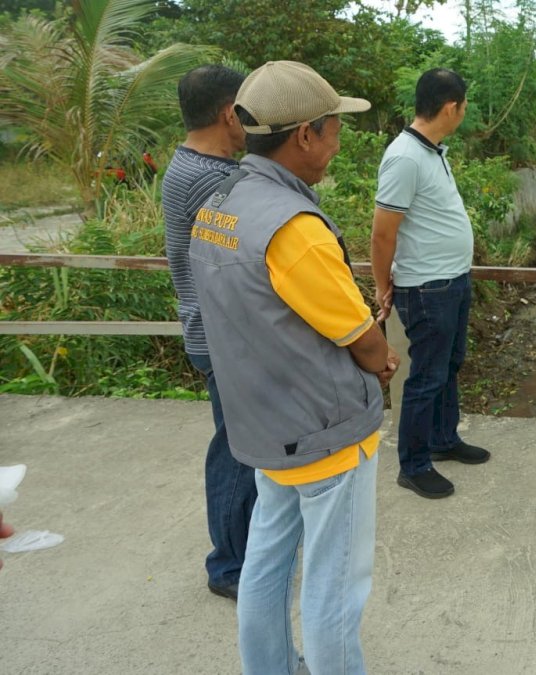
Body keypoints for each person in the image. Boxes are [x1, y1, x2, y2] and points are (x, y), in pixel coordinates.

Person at [189, 60, 399, 674]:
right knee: (336, 584)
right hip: (323, 430)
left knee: (267, 563)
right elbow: (360, 338)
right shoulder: (295, 229)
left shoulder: (220, 206)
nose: (338, 144)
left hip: (262, 425)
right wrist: (382, 357)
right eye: (335, 129)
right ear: (305, 133)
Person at [371, 68, 490, 500]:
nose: (464, 112)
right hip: (426, 288)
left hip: (452, 280)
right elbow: (383, 233)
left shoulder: (434, 150)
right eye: (463, 105)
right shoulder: (404, 157)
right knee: (426, 376)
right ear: (450, 108)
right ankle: (414, 464)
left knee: (450, 365)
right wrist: (383, 286)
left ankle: (443, 439)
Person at [161, 64, 255, 601]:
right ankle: (229, 565)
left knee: (236, 445)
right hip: (224, 338)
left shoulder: (186, 164)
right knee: (238, 451)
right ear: (228, 113)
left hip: (210, 331)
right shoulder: (213, 179)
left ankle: (241, 551)